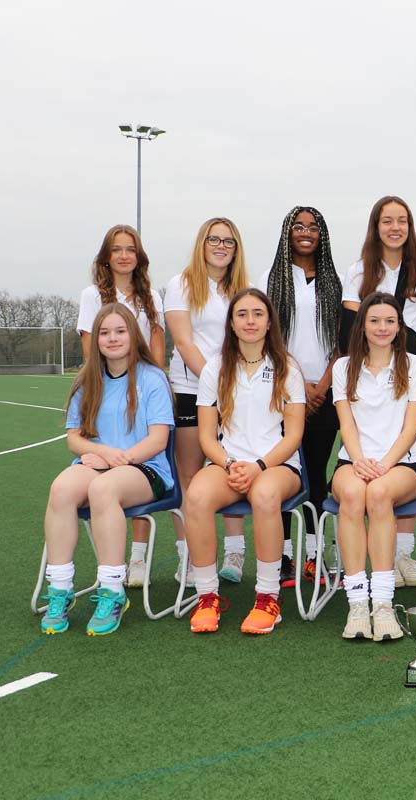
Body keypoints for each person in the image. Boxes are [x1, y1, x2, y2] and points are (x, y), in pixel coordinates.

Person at [39, 304, 174, 636]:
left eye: (120, 331)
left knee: (103, 489)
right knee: (61, 489)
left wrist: (116, 459)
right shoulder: (88, 380)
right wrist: (101, 453)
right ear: (96, 339)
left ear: (133, 335)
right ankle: (60, 589)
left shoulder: (152, 377)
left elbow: (158, 439)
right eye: (104, 332)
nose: (112, 338)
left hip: (144, 468)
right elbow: (74, 439)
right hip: (98, 463)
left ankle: (112, 591)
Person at [184, 288, 305, 635]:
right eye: (242, 314)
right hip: (229, 464)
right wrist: (230, 464)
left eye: (257, 314)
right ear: (232, 324)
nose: (250, 321)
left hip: (277, 465)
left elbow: (293, 435)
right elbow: (207, 437)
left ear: (269, 323)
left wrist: (259, 467)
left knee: (265, 495)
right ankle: (207, 596)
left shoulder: (287, 368)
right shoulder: (215, 369)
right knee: (196, 496)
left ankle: (267, 598)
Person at [343, 196, 416, 590]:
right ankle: (363, 558)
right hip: (370, 374)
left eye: (402, 220)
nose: (395, 228)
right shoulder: (359, 271)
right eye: (387, 221)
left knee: (407, 453)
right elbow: (352, 328)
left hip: (413, 376)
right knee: (365, 459)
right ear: (376, 226)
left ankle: (402, 553)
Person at [330, 292, 416, 642]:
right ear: (362, 326)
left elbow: (411, 428)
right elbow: (346, 424)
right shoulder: (343, 367)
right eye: (374, 321)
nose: (382, 327)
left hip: (402, 464)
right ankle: (358, 603)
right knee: (353, 495)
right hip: (354, 462)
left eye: (389, 321)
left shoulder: (414, 365)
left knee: (379, 493)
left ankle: (383, 604)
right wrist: (359, 461)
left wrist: (384, 465)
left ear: (400, 326)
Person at [75, 224, 167, 588]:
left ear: (139, 256)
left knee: (140, 462)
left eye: (131, 249)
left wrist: (149, 384)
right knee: (102, 482)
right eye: (117, 249)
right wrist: (101, 386)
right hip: (107, 387)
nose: (124, 255)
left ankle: (138, 556)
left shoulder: (151, 296)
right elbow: (90, 347)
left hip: (140, 391)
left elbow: (156, 345)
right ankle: (110, 566)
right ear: (106, 256)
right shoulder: (91, 295)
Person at [162, 218, 249, 586]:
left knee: (232, 468)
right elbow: (184, 342)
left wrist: (232, 387)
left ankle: (235, 551)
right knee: (189, 474)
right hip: (190, 388)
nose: (221, 246)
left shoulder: (243, 288)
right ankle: (189, 554)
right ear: (202, 243)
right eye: (214, 239)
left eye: (228, 241)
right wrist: (216, 385)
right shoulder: (180, 284)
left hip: (237, 392)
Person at [259, 206, 342, 588]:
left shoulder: (334, 282)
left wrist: (322, 385)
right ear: (287, 232)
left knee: (316, 472)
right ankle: (284, 556)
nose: (306, 232)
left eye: (313, 227)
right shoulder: (272, 278)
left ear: (322, 234)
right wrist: (297, 384)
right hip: (283, 389)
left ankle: (314, 554)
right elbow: (270, 339)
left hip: (325, 391)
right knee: (282, 471)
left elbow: (342, 341)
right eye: (298, 226)